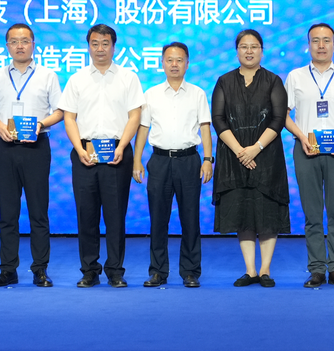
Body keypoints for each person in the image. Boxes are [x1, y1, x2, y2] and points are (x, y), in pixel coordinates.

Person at [58, 24, 144, 288]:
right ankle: (89, 270)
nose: (100, 49)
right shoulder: (77, 79)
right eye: (94, 43)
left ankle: (115, 271)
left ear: (114, 47)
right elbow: (69, 117)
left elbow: (135, 116)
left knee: (115, 216)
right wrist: (79, 149)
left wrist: (122, 146)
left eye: (105, 43)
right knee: (86, 214)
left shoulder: (128, 77)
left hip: (118, 152)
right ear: (88, 46)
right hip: (85, 153)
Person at [283, 23, 334, 288]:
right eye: (316, 40)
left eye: (326, 40)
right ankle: (317, 268)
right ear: (308, 45)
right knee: (312, 213)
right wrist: (301, 136)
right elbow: (283, 115)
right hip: (305, 150)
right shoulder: (295, 76)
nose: (321, 45)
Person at [0, 23, 64, 288]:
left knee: (38, 212)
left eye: (25, 41)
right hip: (5, 148)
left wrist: (41, 124)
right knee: (8, 213)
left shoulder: (47, 75)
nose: (20, 46)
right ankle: (8, 270)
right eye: (14, 41)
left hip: (36, 148)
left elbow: (60, 111)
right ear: (7, 46)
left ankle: (40, 269)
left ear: (33, 44)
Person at [212, 29, 290, 288]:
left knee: (266, 212)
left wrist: (255, 148)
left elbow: (278, 119)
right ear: (237, 51)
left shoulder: (273, 81)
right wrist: (240, 151)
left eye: (254, 46)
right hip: (233, 157)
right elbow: (218, 119)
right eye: (244, 46)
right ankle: (250, 270)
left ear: (262, 51)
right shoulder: (224, 81)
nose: (249, 51)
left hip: (266, 157)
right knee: (242, 211)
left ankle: (265, 270)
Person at [133, 42, 213, 288]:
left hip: (189, 161)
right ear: (162, 63)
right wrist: (137, 160)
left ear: (187, 63)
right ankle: (158, 271)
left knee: (190, 218)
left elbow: (205, 127)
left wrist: (208, 159)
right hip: (159, 161)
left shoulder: (198, 93)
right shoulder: (151, 94)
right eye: (170, 60)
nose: (174, 64)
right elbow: (143, 128)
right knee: (158, 219)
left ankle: (190, 272)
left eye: (179, 60)